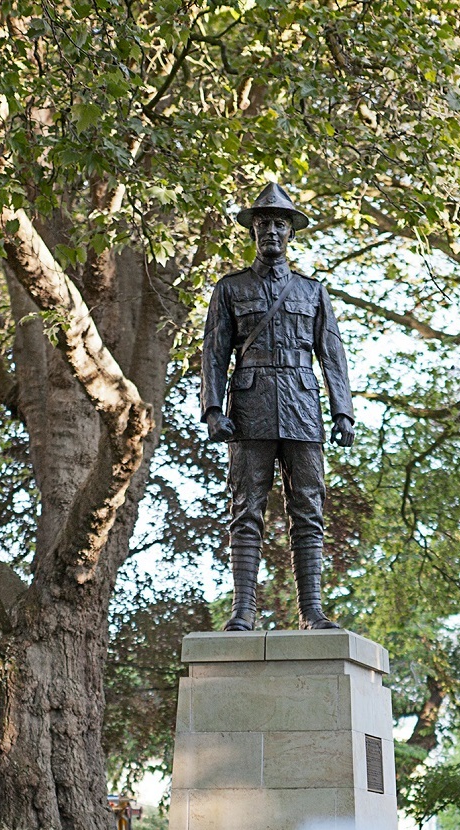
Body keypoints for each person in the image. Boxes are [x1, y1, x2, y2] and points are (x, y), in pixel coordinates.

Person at [201, 182, 354, 632]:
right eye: (264, 223)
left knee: (309, 508)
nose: (271, 230)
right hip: (249, 407)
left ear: (291, 233)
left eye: (279, 224)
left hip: (304, 406)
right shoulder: (230, 289)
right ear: (253, 231)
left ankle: (312, 612)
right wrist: (212, 409)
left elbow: (332, 351)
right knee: (246, 508)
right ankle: (243, 613)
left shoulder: (312, 291)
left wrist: (342, 411)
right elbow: (213, 352)